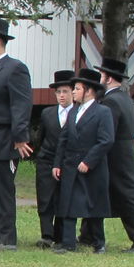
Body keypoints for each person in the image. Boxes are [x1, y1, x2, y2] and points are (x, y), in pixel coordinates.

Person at [95, 57, 134, 255]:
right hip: (126, 150)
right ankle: (89, 234)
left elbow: (107, 129)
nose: (99, 79)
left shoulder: (111, 101)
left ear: (109, 78)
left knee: (126, 198)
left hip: (116, 156)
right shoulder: (125, 98)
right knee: (103, 194)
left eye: (101, 75)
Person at [0, 16, 32, 249]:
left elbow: (20, 105)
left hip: (4, 137)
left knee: (3, 188)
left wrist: (20, 137)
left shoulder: (14, 68)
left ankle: (6, 236)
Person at [52, 69, 114, 253]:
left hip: (92, 167)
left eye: (77, 88)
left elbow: (106, 140)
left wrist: (88, 161)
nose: (73, 92)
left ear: (89, 91)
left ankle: (98, 242)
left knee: (93, 205)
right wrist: (57, 163)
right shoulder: (73, 111)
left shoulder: (103, 112)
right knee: (68, 204)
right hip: (70, 165)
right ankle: (68, 243)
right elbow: (63, 139)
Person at [34, 70, 76, 247]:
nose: (61, 96)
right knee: (45, 197)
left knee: (63, 198)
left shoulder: (78, 113)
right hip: (47, 160)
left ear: (73, 92)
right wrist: (41, 155)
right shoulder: (47, 113)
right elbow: (40, 137)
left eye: (65, 91)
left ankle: (61, 234)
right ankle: (46, 234)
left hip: (67, 162)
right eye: (58, 92)